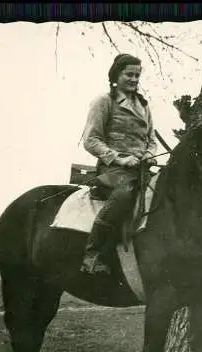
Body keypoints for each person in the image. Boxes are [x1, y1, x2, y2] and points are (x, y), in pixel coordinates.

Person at [80, 54, 158, 274]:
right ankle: (93, 254)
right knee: (125, 195)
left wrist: (148, 155)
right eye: (129, 74)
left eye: (137, 75)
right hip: (113, 169)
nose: (134, 79)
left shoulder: (143, 105)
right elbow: (91, 140)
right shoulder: (103, 101)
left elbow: (150, 139)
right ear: (117, 75)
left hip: (141, 169)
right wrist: (121, 158)